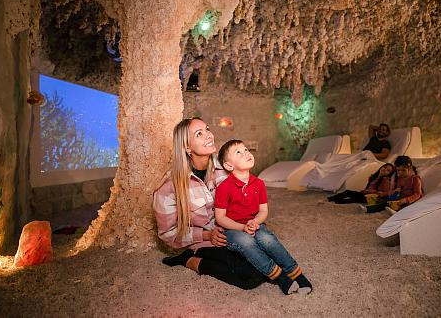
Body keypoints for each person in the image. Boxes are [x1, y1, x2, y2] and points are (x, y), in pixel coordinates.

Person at [153, 117, 265, 290]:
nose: (209, 136)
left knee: (267, 261)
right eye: (199, 134)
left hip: (234, 232)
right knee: (251, 276)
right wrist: (206, 235)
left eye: (207, 129)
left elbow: (249, 197)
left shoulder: (227, 166)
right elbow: (168, 233)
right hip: (204, 241)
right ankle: (187, 259)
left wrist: (250, 223)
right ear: (187, 147)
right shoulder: (169, 187)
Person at [215, 139, 313, 295]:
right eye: (238, 152)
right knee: (245, 241)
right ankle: (279, 276)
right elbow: (220, 218)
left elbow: (263, 212)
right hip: (233, 229)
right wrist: (242, 227)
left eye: (246, 149)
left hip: (254, 223)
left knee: (267, 239)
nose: (246, 152)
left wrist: (255, 222)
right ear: (228, 166)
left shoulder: (259, 183)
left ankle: (295, 273)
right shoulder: (224, 187)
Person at [327, 163, 395, 204]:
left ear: (389, 174)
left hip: (372, 197)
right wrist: (364, 191)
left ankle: (330, 199)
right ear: (381, 167)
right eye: (385, 167)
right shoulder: (374, 176)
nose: (385, 170)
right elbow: (368, 187)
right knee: (352, 197)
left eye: (388, 170)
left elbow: (383, 193)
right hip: (365, 194)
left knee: (348, 193)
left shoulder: (385, 180)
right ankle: (333, 201)